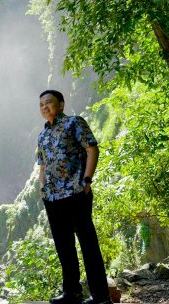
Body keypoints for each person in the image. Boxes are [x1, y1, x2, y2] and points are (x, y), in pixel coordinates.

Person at [37, 90, 112, 304]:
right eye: (41, 104)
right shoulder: (42, 135)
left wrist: (87, 181)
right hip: (52, 197)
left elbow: (91, 149)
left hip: (76, 192)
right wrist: (43, 188)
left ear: (61, 104)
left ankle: (100, 296)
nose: (44, 107)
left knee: (88, 243)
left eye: (48, 102)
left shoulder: (74, 123)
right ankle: (71, 292)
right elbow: (42, 165)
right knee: (64, 245)